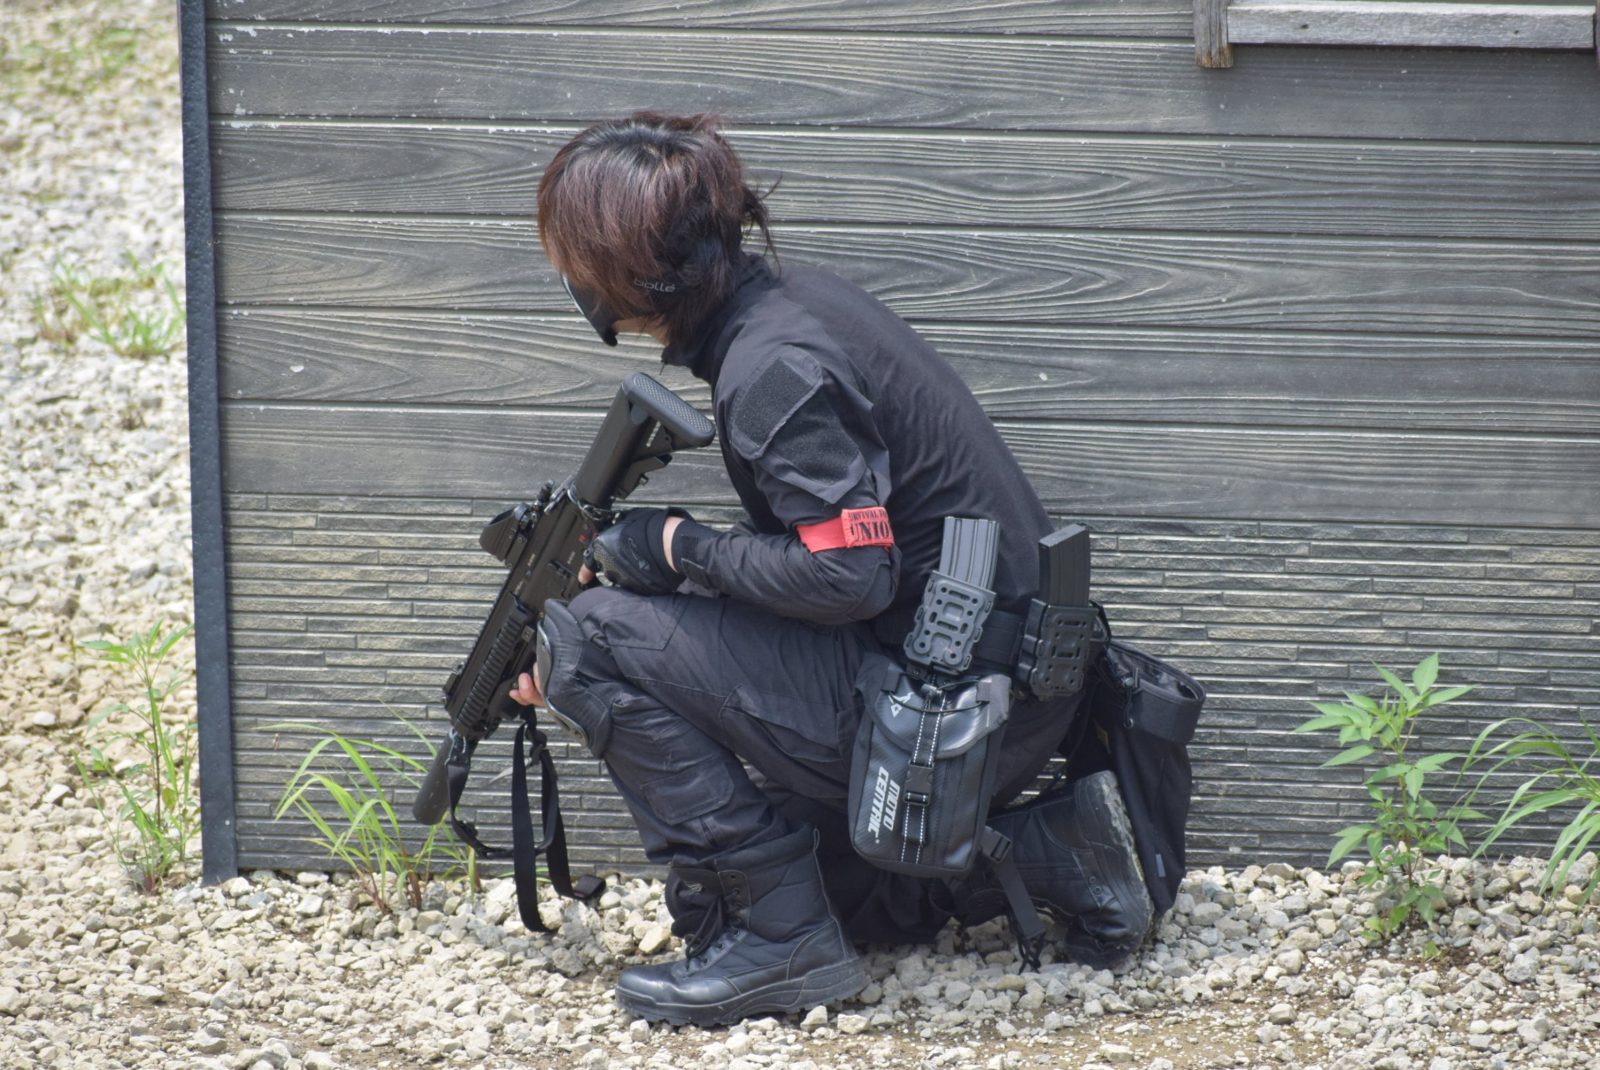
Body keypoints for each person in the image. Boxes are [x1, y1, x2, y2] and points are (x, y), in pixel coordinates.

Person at [510, 113, 1153, 1027]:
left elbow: (851, 576)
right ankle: (1053, 851)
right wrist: (671, 573)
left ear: (633, 274)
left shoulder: (770, 368)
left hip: (952, 710)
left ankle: (780, 945)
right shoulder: (790, 305)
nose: (570, 282)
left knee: (589, 638)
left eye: (576, 263)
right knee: (742, 894)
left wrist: (677, 550)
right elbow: (831, 556)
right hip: (994, 688)